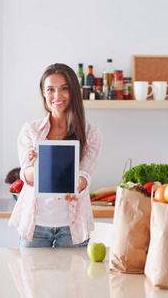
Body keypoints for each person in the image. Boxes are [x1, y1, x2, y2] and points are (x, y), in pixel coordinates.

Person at [8, 63, 102, 248]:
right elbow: (26, 175)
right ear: (43, 92)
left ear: (74, 91)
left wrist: (76, 185)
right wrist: (37, 167)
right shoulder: (31, 130)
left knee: (74, 278)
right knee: (31, 277)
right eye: (51, 89)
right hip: (35, 226)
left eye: (64, 88)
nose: (57, 95)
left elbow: (85, 174)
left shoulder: (91, 133)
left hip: (73, 226)